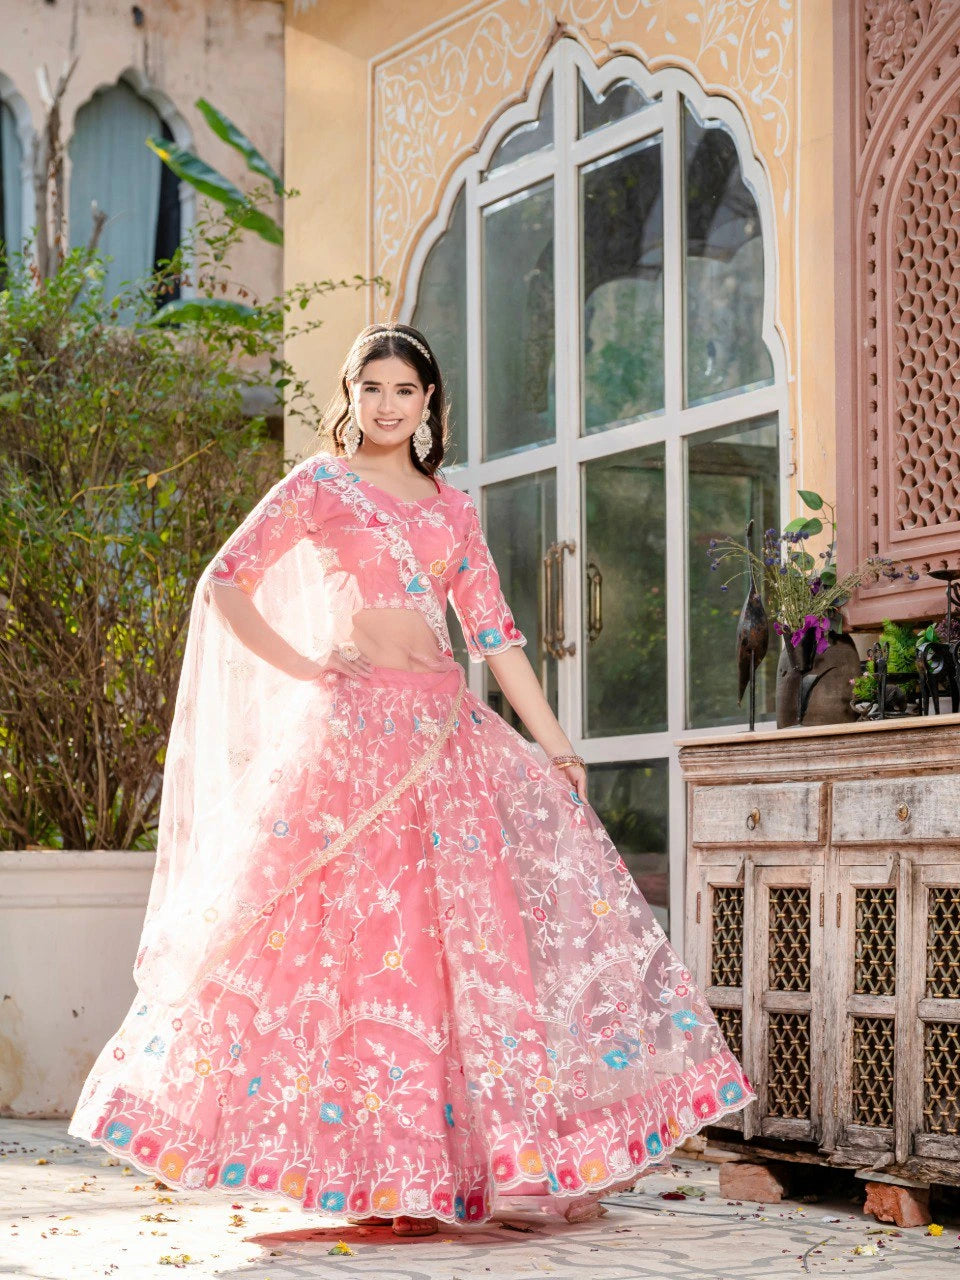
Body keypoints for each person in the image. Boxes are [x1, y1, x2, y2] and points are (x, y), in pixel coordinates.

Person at [69, 323, 753, 1236]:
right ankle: (370, 1176)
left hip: (443, 741)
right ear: (350, 395)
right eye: (374, 388)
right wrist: (308, 666)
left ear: (429, 404)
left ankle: (444, 1173)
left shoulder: (450, 509)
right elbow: (226, 582)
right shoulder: (318, 486)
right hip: (349, 745)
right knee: (354, 948)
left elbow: (497, 639)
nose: (388, 405)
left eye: (406, 391)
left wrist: (558, 748)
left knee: (456, 952)